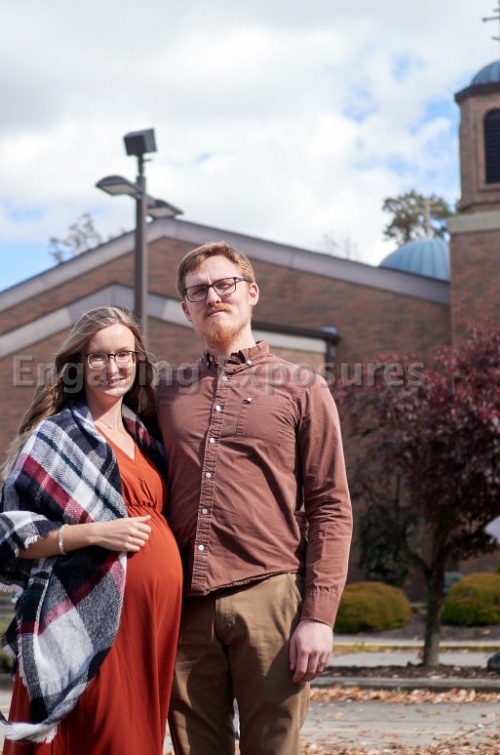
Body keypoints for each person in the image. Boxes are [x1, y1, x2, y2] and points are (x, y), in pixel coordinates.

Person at [157, 241, 353, 755]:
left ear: (252, 293)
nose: (212, 297)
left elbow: (331, 507)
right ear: (186, 309)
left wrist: (318, 617)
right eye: (198, 290)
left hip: (270, 597)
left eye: (225, 284)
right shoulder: (165, 394)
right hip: (184, 607)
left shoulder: (303, 388)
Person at [0, 306, 182, 754]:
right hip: (93, 615)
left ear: (137, 360)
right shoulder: (56, 436)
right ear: (78, 364)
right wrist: (96, 534)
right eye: (99, 356)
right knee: (105, 738)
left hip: (154, 622)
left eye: (124, 354)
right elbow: (16, 538)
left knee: (139, 737)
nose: (113, 367)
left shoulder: (147, 436)